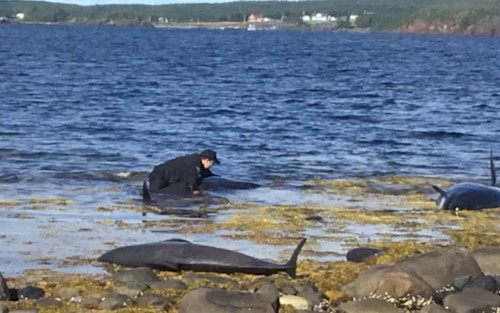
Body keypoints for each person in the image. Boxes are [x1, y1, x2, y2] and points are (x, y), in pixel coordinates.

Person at [148, 149, 219, 195]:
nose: (212, 165)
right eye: (212, 163)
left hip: (168, 176)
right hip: (158, 175)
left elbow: (206, 173)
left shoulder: (198, 161)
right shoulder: (192, 166)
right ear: (206, 160)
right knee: (155, 195)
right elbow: (193, 184)